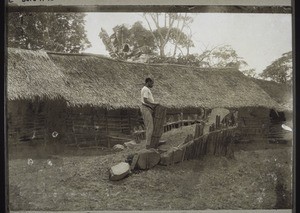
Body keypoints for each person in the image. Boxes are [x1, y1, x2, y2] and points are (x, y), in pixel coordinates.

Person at [140, 78, 159, 149]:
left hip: (148, 108)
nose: (152, 85)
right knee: (150, 127)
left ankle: (151, 142)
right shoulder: (146, 89)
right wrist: (154, 104)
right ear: (148, 82)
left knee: (151, 126)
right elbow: (145, 100)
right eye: (152, 83)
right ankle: (148, 145)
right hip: (146, 108)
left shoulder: (146, 89)